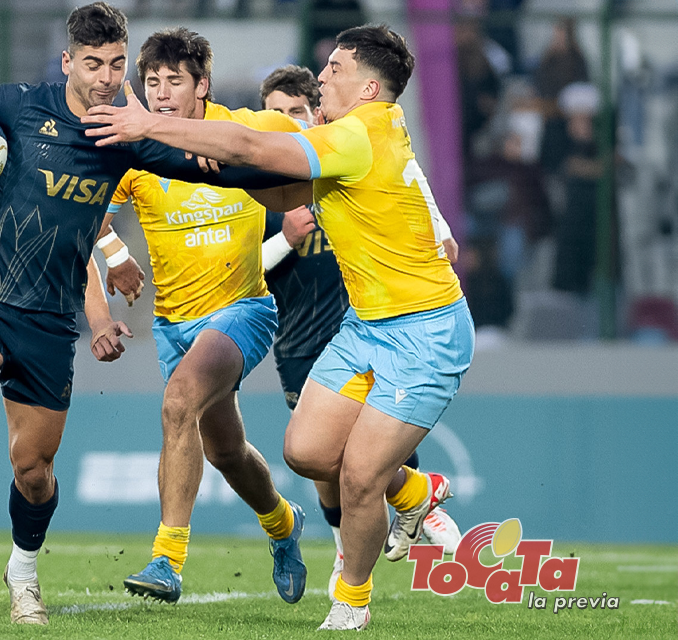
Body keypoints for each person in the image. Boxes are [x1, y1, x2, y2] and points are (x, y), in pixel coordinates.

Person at [0, 3, 299, 624]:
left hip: (50, 320)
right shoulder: (18, 103)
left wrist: (289, 179)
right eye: (94, 63)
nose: (107, 77)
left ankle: (23, 575)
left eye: (117, 64)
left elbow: (205, 165)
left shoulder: (122, 134)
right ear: (69, 60)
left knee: (35, 471)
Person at [84, 24, 475, 630]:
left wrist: (150, 126)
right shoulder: (354, 133)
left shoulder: (358, 134)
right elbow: (276, 190)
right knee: (305, 453)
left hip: (426, 332)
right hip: (367, 325)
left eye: (337, 69)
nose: (323, 77)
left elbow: (252, 149)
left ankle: (351, 600)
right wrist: (197, 161)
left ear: (370, 87)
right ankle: (415, 493)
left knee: (359, 476)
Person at [99, 27, 306, 605]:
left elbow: (320, 139)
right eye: (153, 82)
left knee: (178, 401)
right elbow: (92, 216)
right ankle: (284, 525)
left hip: (243, 308)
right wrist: (116, 256)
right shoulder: (135, 149)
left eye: (175, 81)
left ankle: (167, 559)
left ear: (202, 86)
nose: (161, 94)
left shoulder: (242, 131)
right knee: (227, 453)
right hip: (173, 323)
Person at [258, 65, 462, 601]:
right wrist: (283, 239)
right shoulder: (274, 190)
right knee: (316, 459)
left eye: (295, 112)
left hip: (379, 327)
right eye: (273, 115)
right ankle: (412, 495)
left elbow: (417, 199)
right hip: (303, 342)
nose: (285, 122)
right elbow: (240, 272)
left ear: (316, 113)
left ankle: (352, 583)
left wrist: (436, 233)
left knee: (362, 467)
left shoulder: (348, 155)